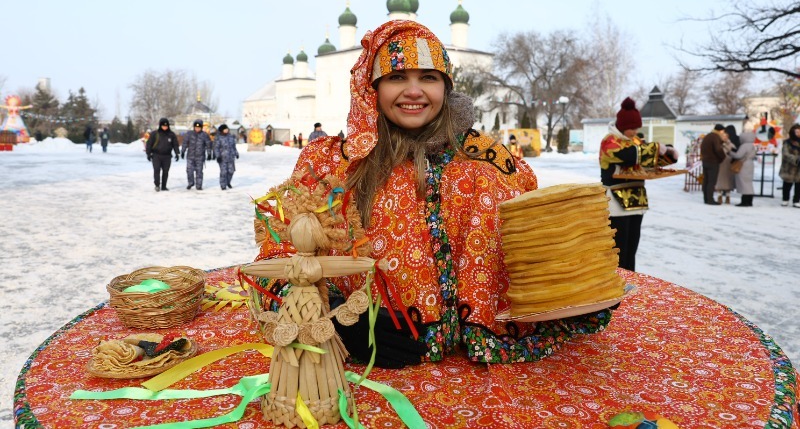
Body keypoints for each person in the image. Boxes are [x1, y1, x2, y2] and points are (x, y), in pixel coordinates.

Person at [254, 20, 614, 367]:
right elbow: (274, 262)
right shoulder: (332, 166)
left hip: (479, 374)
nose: (414, 91)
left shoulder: (487, 159)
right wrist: (334, 319)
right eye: (396, 77)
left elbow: (533, 242)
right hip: (359, 373)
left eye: (428, 77)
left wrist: (571, 287)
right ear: (373, 88)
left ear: (446, 86)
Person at [599, 97, 678, 272]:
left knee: (631, 249)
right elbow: (628, 155)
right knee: (618, 249)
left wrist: (669, 153)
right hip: (617, 202)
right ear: (622, 126)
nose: (635, 132)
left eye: (636, 128)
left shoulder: (635, 141)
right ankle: (615, 285)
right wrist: (655, 148)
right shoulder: (609, 141)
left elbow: (650, 160)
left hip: (636, 201)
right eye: (631, 128)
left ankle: (631, 283)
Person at [145, 118, 180, 191]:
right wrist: (148, 153)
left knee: (165, 171)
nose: (165, 127)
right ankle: (157, 185)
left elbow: (175, 144)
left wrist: (177, 153)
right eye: (163, 126)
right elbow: (149, 144)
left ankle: (164, 186)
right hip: (156, 155)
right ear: (160, 126)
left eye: (166, 126)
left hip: (167, 156)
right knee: (157, 170)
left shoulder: (171, 134)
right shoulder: (155, 134)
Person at [181, 118, 213, 190]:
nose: (197, 129)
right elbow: (185, 142)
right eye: (196, 127)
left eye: (199, 127)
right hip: (190, 156)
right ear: (194, 127)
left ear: (201, 127)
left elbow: (208, 145)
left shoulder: (204, 135)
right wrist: (183, 151)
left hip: (200, 157)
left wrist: (209, 154)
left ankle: (199, 185)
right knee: (189, 171)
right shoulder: (189, 134)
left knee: (199, 172)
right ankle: (191, 182)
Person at [700, 124, 728, 205]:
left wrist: (722, 141)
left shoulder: (708, 136)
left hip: (705, 161)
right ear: (720, 130)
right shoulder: (715, 137)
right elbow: (718, 149)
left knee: (706, 181)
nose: (723, 133)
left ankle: (706, 199)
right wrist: (722, 157)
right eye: (723, 131)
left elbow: (708, 146)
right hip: (713, 162)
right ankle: (710, 200)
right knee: (711, 182)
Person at [730, 129, 757, 206]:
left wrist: (730, 152)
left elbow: (738, 155)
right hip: (750, 164)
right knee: (748, 183)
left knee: (743, 183)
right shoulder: (752, 146)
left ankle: (744, 201)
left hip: (743, 165)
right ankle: (749, 201)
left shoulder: (744, 146)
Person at [715, 126, 738, 204]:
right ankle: (724, 196)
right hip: (726, 164)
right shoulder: (731, 144)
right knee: (726, 181)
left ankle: (723, 196)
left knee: (722, 180)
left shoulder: (720, 144)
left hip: (722, 164)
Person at [779, 123, 800, 207]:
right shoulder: (787, 142)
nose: (798, 133)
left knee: (798, 186)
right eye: (797, 132)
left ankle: (796, 200)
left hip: (799, 169)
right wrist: (796, 159)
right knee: (787, 184)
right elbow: (785, 154)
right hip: (789, 167)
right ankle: (785, 199)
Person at [213, 123, 239, 190]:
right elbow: (216, 148)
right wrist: (218, 156)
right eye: (225, 129)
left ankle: (228, 182)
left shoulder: (231, 137)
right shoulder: (218, 138)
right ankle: (223, 185)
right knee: (223, 172)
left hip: (231, 157)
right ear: (221, 130)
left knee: (231, 171)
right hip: (222, 158)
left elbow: (234, 147)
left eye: (227, 129)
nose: (226, 130)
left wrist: (236, 153)